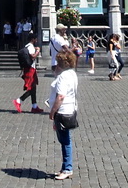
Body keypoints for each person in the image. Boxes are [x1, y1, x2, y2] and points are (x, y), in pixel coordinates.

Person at [47, 47, 79, 181]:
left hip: (63, 111)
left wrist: (52, 112)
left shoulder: (63, 77)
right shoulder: (72, 73)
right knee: (66, 139)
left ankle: (67, 168)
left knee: (65, 141)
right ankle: (65, 166)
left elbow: (60, 96)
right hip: (71, 109)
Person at [13, 36, 43, 114]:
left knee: (33, 87)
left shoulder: (27, 46)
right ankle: (18, 100)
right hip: (30, 69)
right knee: (30, 88)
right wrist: (38, 51)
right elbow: (33, 56)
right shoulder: (30, 47)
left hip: (30, 69)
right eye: (35, 39)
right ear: (32, 39)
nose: (36, 40)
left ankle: (34, 106)